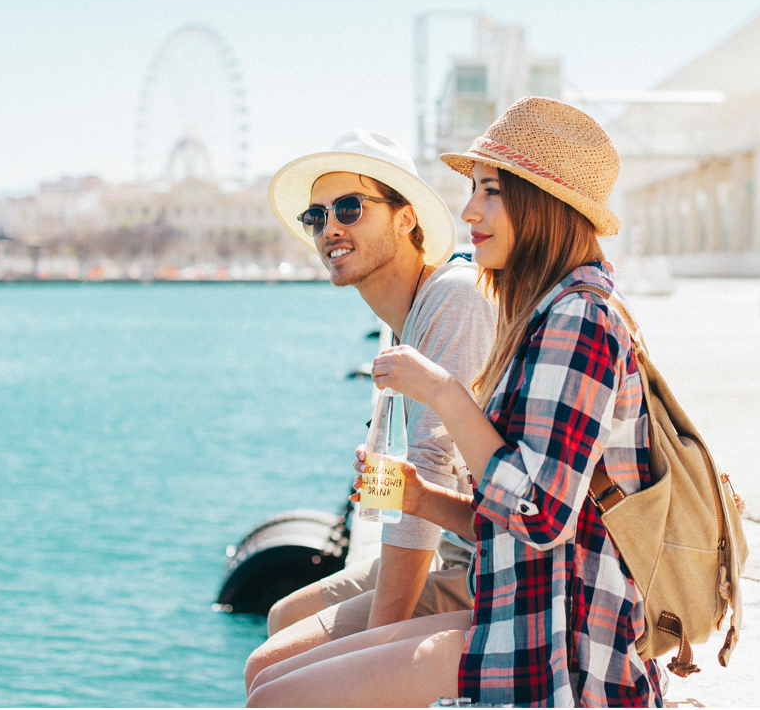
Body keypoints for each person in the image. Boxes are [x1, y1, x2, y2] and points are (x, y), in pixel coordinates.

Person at [248, 97, 663, 708]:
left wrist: (440, 390)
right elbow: (517, 515)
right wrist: (417, 496)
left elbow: (541, 516)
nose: (468, 210)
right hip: (514, 600)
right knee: (274, 675)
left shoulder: (578, 319)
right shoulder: (547, 311)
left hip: (559, 644)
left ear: (541, 203)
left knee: (273, 694)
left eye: (490, 191)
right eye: (318, 216)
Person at [244, 130, 495, 692]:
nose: (330, 227)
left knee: (266, 674)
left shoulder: (454, 299)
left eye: (351, 208)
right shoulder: (402, 316)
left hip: (484, 566)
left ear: (406, 219)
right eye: (316, 216)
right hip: (458, 551)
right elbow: (407, 476)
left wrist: (373, 649)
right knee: (282, 617)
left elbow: (429, 467)